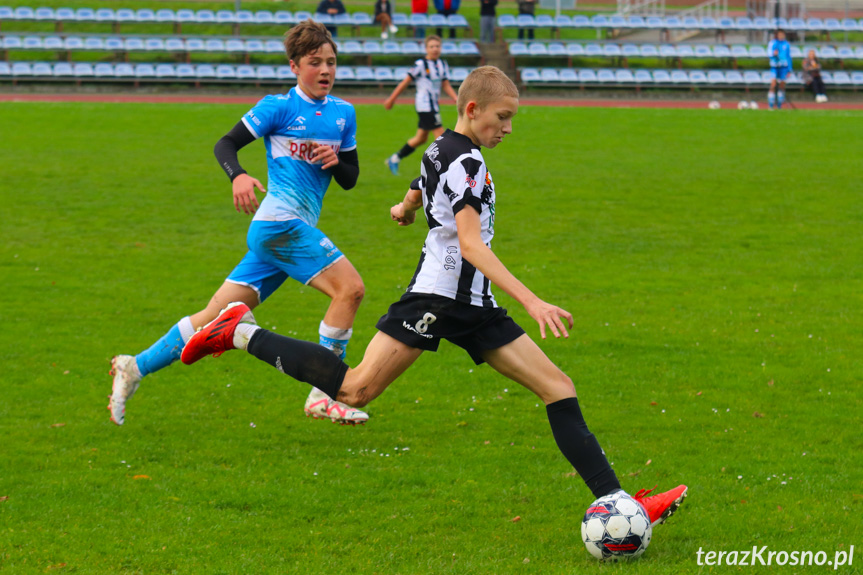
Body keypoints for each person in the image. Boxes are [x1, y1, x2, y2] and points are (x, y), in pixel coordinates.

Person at [181, 66, 689, 530]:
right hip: (440, 298)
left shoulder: (445, 146)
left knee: (558, 387)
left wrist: (405, 206)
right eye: (502, 117)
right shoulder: (464, 160)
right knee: (355, 390)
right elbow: (469, 243)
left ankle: (621, 503)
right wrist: (534, 302)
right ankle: (239, 332)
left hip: (475, 305)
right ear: (472, 110)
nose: (508, 127)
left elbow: (424, 178)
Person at [108, 20, 370, 427]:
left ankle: (133, 367)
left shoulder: (344, 114)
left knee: (213, 314)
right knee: (350, 290)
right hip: (279, 225)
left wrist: (336, 163)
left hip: (283, 235)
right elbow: (225, 144)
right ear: (294, 67)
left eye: (331, 63)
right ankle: (324, 394)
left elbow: (351, 178)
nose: (325, 70)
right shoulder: (278, 107)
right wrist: (239, 176)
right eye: (315, 62)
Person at [383, 35, 458, 175]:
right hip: (424, 106)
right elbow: (405, 82)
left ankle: (395, 158)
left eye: (437, 46)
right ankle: (446, 171)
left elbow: (445, 84)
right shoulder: (420, 65)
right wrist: (391, 99)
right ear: (426, 49)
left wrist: (456, 98)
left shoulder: (442, 64)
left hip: (433, 106)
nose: (435, 49)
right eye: (432, 46)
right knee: (441, 137)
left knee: (421, 138)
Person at [767, 29, 791, 110]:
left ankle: (779, 105)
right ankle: (771, 105)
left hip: (783, 67)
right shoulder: (773, 43)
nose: (781, 36)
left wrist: (789, 68)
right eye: (779, 34)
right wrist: (774, 54)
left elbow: (788, 56)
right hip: (774, 66)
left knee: (782, 85)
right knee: (773, 84)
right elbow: (769, 54)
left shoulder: (786, 44)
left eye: (782, 34)